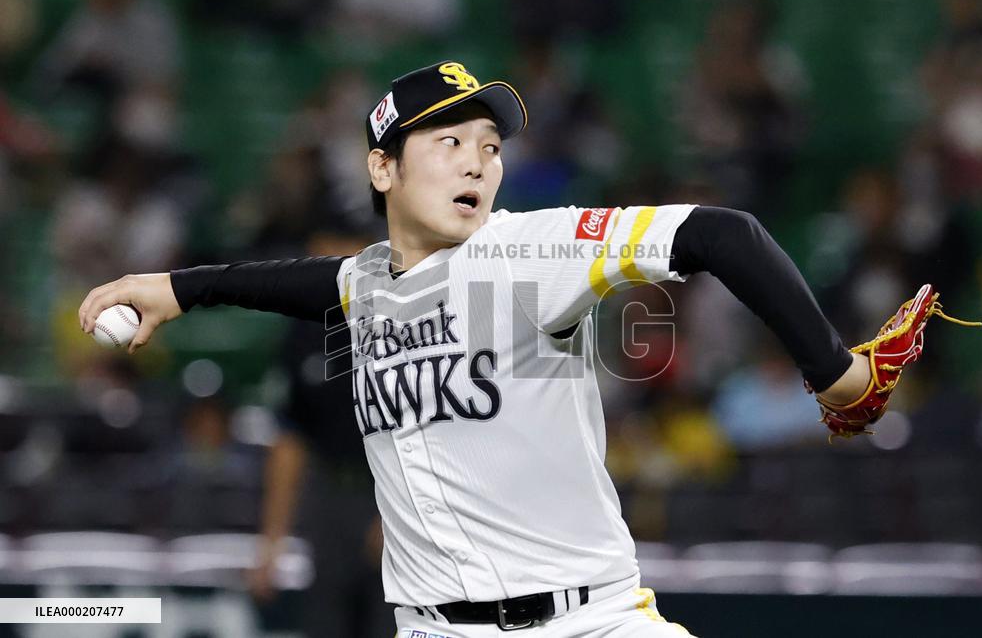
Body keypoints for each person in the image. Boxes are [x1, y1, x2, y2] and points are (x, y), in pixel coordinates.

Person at [80, 60, 873, 637]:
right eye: (448, 140)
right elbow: (309, 281)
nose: (477, 161)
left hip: (589, 622)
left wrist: (835, 372)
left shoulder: (538, 248)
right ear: (381, 167)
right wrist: (181, 290)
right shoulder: (364, 284)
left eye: (490, 145)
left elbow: (720, 233)